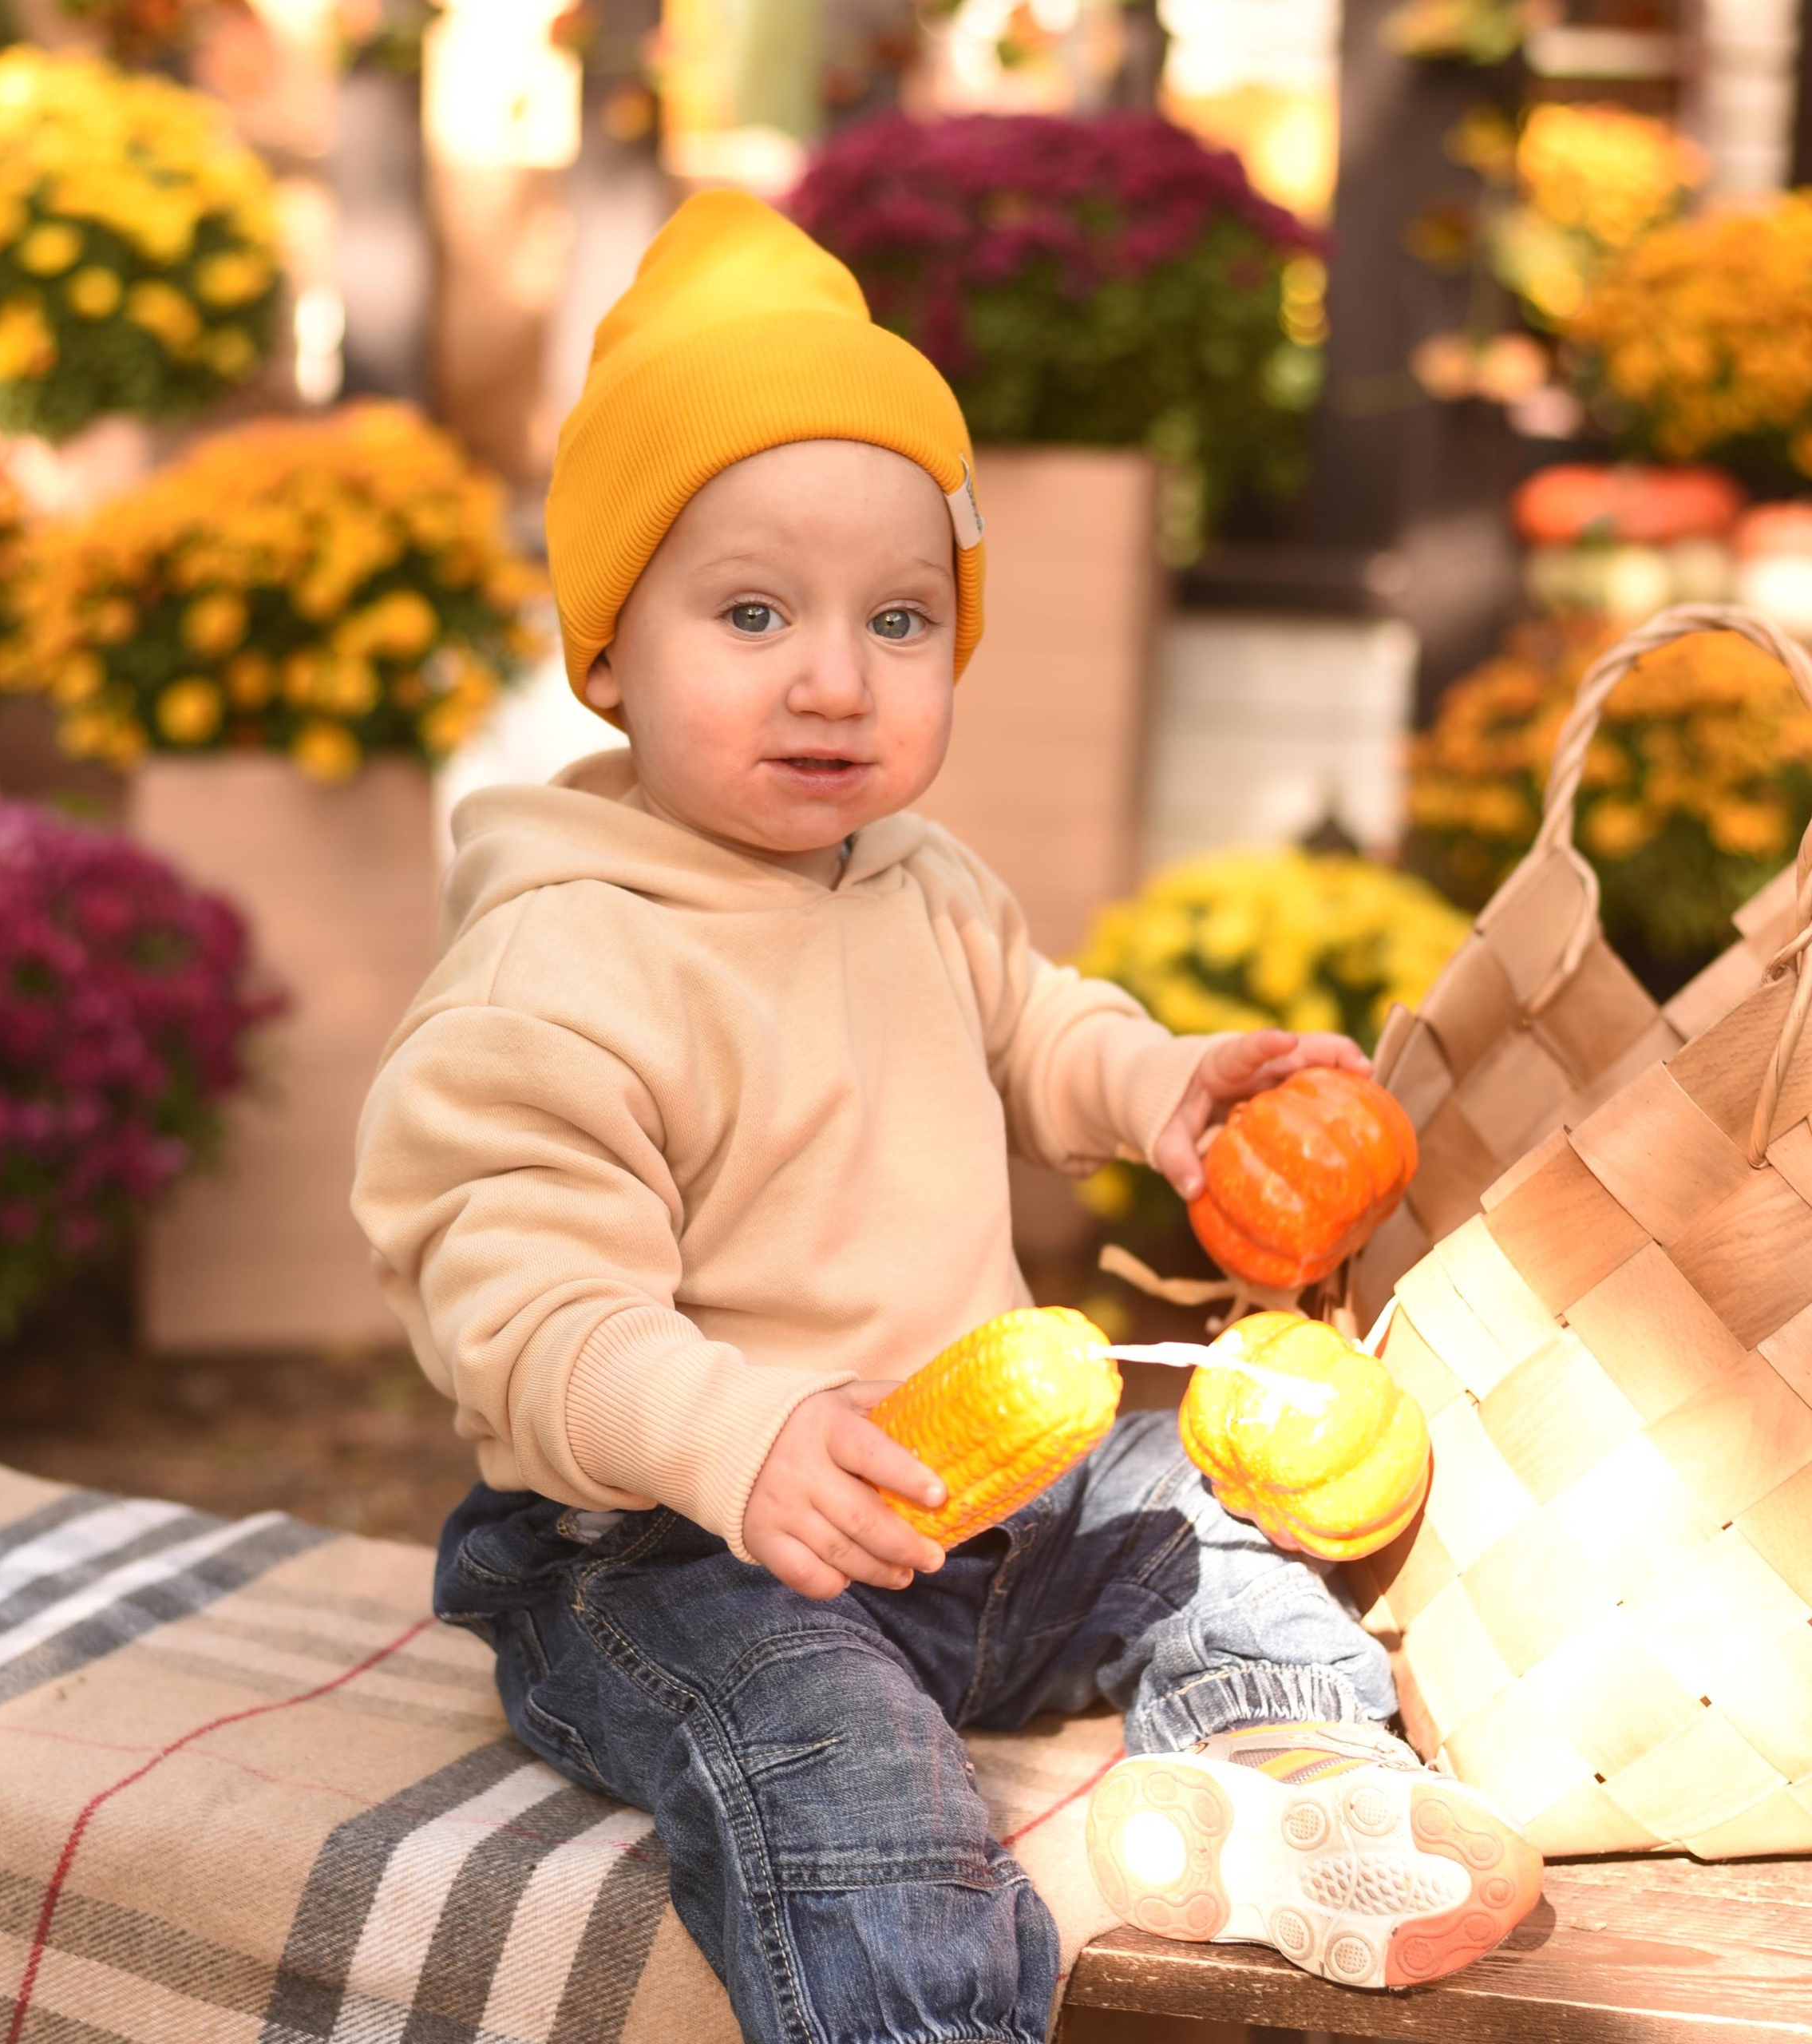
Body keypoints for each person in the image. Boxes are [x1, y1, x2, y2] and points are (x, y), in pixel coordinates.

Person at [352, 191, 1541, 2044]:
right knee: (841, 1776)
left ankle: (1277, 1788)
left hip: (987, 1508)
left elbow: (1034, 1025)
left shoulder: (912, 876)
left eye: (898, 617)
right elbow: (520, 1305)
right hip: (682, 1548)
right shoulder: (559, 967)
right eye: (752, 612)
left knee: (1217, 1509)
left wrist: (1161, 1088)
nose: (836, 673)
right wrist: (729, 1435)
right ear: (605, 655)